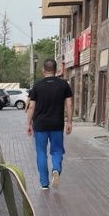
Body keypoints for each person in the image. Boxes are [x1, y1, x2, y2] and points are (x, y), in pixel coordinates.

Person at [26, 59, 73, 190]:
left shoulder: (37, 85)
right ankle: (56, 169)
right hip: (57, 124)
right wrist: (69, 122)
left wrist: (28, 124)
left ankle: (44, 183)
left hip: (40, 125)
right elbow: (69, 104)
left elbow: (31, 107)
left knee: (41, 152)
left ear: (43, 70)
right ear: (56, 70)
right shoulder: (64, 85)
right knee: (57, 150)